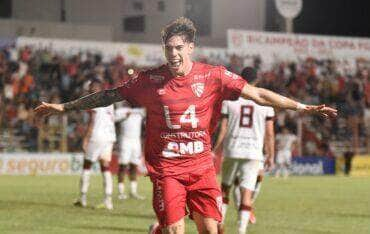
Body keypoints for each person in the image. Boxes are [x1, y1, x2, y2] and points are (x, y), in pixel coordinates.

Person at [34, 17, 337, 234]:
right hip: (167, 170)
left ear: (191, 47)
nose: (173, 53)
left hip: (202, 168)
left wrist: (303, 107)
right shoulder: (149, 80)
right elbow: (109, 95)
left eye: (179, 47)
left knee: (211, 229)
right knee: (176, 230)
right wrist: (64, 107)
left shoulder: (214, 76)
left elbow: (257, 94)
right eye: (168, 47)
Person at [213, 67, 275, 234]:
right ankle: (241, 230)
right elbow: (270, 134)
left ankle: (219, 224)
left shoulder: (230, 100)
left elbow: (223, 129)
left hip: (232, 149)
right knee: (246, 193)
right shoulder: (266, 103)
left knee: (225, 190)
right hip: (254, 152)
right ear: (257, 80)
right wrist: (270, 155)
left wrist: (215, 149)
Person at [73, 79, 116, 210]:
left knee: (87, 165)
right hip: (109, 137)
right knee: (105, 166)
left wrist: (86, 138)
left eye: (90, 87)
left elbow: (92, 121)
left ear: (95, 88)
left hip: (96, 136)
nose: (89, 90)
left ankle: (82, 197)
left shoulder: (94, 101)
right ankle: (108, 200)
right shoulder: (109, 101)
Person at [115, 104, 146, 200]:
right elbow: (113, 120)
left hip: (136, 141)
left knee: (134, 166)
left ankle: (133, 192)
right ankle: (121, 192)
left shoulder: (140, 111)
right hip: (125, 140)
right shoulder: (121, 110)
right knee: (123, 166)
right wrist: (124, 116)